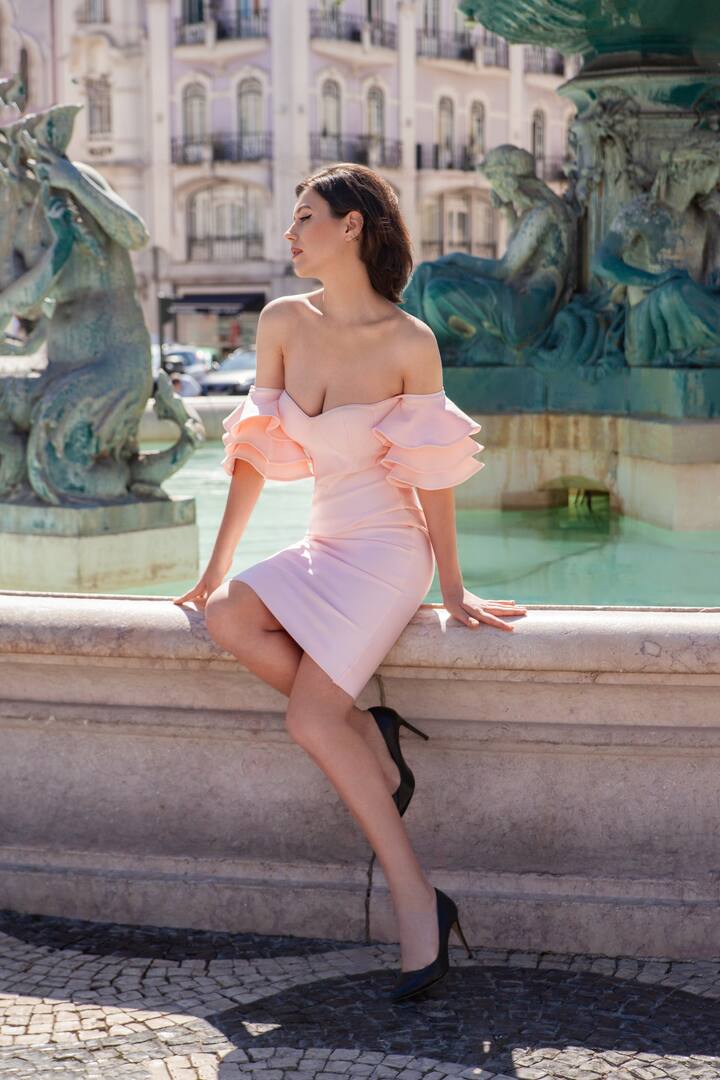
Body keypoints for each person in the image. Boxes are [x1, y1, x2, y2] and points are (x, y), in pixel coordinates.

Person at [174, 163, 527, 1002]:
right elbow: (252, 454)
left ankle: (417, 899)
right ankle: (372, 729)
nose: (290, 233)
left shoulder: (411, 341)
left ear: (352, 226)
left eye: (305, 217)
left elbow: (433, 476)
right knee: (227, 616)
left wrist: (452, 586)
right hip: (325, 538)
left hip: (389, 553)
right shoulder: (281, 321)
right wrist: (217, 566)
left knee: (308, 717)